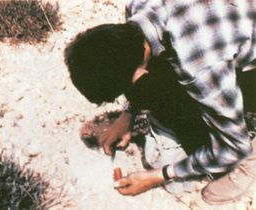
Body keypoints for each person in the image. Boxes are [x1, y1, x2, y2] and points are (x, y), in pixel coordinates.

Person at [64, 0, 256, 204]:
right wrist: (127, 115)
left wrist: (159, 175)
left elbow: (233, 147)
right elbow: (135, 58)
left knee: (235, 144)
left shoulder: (199, 67)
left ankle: (251, 158)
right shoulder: (138, 7)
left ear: (138, 74)